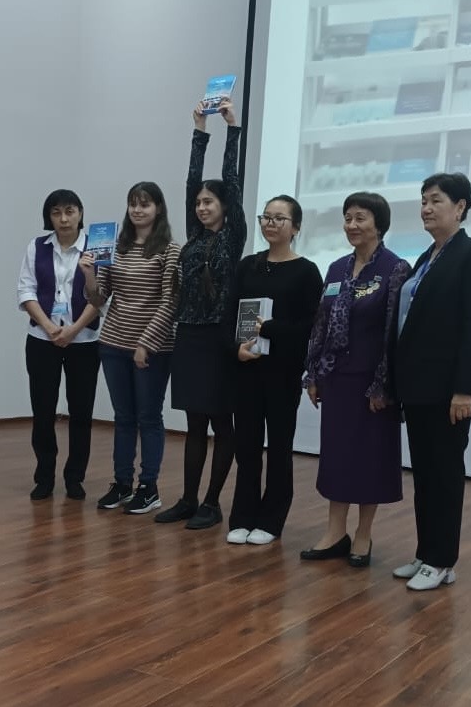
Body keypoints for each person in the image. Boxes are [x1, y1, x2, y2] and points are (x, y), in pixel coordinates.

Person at [390, 172, 471, 591]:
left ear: (460, 207)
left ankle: (442, 560)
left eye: (435, 200)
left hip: (449, 391)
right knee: (425, 474)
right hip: (417, 387)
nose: (426, 208)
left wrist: (465, 389)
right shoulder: (426, 257)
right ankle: (425, 553)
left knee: (445, 474)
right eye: (423, 201)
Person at [301, 192, 410, 567]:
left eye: (360, 218)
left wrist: (384, 384)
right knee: (337, 457)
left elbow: (394, 333)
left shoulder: (395, 269)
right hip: (337, 381)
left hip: (371, 385)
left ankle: (363, 534)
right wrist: (313, 373)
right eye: (347, 218)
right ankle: (335, 532)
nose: (352, 225)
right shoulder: (336, 269)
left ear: (379, 224)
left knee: (369, 459)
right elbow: (321, 324)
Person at [155, 98, 245, 531]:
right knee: (194, 423)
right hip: (189, 335)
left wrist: (231, 129)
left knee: (222, 423)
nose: (202, 206)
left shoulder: (232, 235)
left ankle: (212, 502)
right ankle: (188, 499)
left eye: (210, 202)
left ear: (225, 206)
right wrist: (198, 131)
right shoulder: (194, 236)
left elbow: (232, 180)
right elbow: (192, 181)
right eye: (199, 203)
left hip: (219, 338)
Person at [227, 197, 323, 545]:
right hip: (247, 368)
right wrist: (235, 349)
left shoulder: (306, 271)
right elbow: (229, 314)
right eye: (266, 217)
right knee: (246, 445)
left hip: (282, 371)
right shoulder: (247, 266)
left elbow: (311, 325)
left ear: (295, 227)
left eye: (279, 218)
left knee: (280, 446)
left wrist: (270, 329)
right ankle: (242, 515)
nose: (270, 223)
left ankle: (271, 519)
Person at [80, 182, 180, 515]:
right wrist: (89, 275)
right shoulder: (115, 246)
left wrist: (145, 344)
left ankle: (148, 488)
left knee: (148, 417)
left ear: (158, 208)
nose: (138, 210)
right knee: (123, 418)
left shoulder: (170, 250)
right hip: (112, 343)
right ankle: (122, 483)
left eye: (145, 204)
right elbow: (99, 297)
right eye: (133, 204)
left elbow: (170, 302)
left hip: (152, 348)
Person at [17, 190, 102, 501]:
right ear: (48, 217)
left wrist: (74, 329)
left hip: (85, 340)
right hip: (43, 339)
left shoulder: (98, 248)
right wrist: (51, 327)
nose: (64, 219)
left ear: (80, 213)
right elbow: (26, 291)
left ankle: (75, 478)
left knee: (81, 412)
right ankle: (44, 477)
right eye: (56, 212)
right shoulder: (36, 246)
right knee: (42, 410)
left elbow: (102, 296)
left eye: (70, 211)